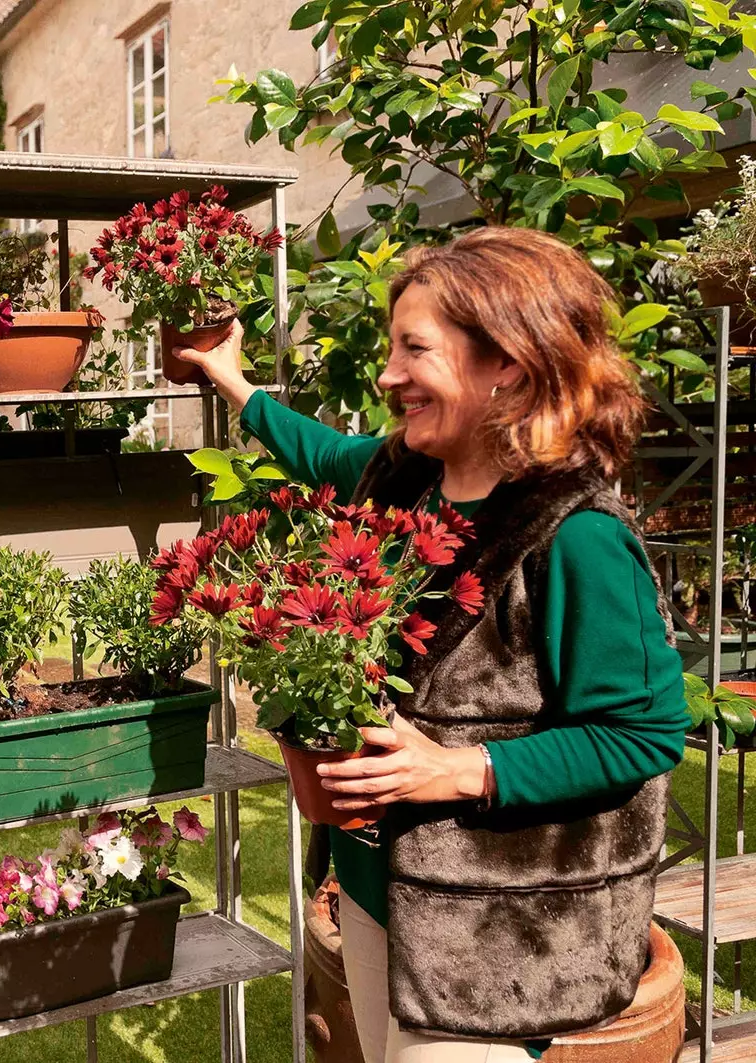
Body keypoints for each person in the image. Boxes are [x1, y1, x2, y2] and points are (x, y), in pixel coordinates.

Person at [172, 227, 687, 1063]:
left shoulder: (574, 534)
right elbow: (323, 452)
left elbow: (645, 731)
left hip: (494, 935)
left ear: (508, 367)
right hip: (383, 896)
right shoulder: (407, 476)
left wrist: (461, 767)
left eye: (416, 349)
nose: (387, 375)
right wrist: (230, 379)